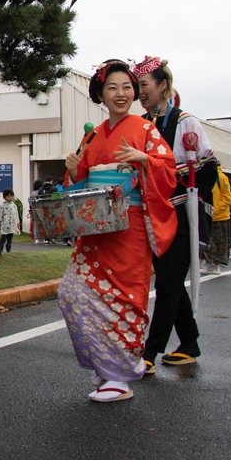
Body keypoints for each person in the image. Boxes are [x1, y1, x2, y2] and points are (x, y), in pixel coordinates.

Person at [58, 59, 177, 403]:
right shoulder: (93, 134)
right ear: (102, 93)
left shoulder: (146, 129)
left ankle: (120, 376)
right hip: (96, 228)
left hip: (128, 226)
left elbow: (168, 172)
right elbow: (79, 181)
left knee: (123, 296)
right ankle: (103, 365)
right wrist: (75, 170)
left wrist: (144, 159)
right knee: (73, 291)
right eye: (112, 87)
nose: (121, 93)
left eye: (128, 87)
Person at [130, 56, 217, 372]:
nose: (140, 93)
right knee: (171, 283)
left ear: (162, 85)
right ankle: (189, 342)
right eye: (138, 86)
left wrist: (164, 172)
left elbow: (207, 169)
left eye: (143, 85)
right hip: (151, 214)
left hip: (181, 212)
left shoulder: (185, 122)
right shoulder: (142, 124)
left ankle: (149, 354)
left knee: (167, 283)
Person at [201, 164, 231, 274]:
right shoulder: (201, 177)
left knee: (219, 242)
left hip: (220, 217)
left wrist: (215, 209)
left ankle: (216, 264)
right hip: (204, 216)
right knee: (206, 240)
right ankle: (207, 261)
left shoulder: (221, 177)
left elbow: (227, 197)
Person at [0, 189, 19, 253]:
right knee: (3, 238)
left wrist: (17, 223)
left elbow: (16, 215)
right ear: (4, 197)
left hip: (12, 225)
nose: (10, 198)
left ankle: (8, 250)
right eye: (8, 196)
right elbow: (0, 215)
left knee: (10, 238)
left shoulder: (14, 206)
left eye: (11, 196)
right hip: (5, 225)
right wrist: (0, 223)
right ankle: (0, 250)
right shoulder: (2, 206)